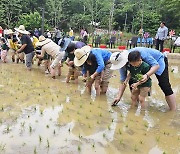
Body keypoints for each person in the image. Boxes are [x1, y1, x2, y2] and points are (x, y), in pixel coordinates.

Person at [111, 47, 176, 111]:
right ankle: (136, 106)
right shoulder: (122, 64)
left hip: (158, 61)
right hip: (140, 66)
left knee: (164, 85)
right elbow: (123, 80)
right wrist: (118, 97)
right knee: (132, 82)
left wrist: (147, 75)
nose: (122, 66)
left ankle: (173, 110)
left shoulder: (141, 53)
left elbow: (156, 65)